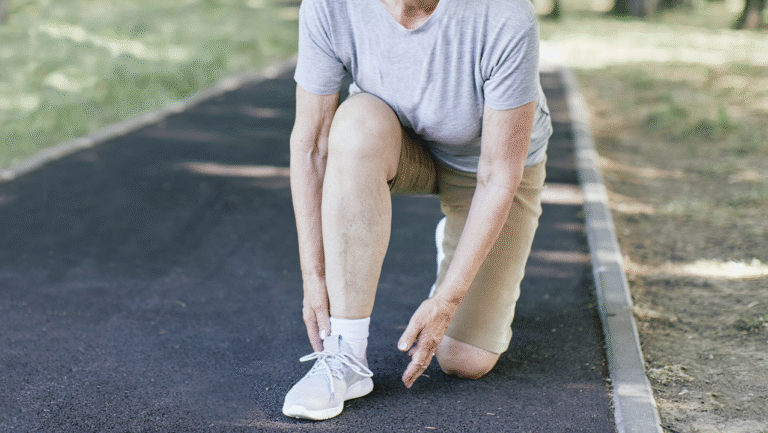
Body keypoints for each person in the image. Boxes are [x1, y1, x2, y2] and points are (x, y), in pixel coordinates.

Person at [282, 0, 553, 421]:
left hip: (483, 165)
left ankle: (458, 251)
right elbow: (312, 145)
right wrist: (313, 276)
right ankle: (345, 358)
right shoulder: (330, 5)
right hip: (395, 140)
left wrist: (448, 299)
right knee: (352, 125)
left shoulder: (505, 13)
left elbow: (499, 175)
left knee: (464, 360)